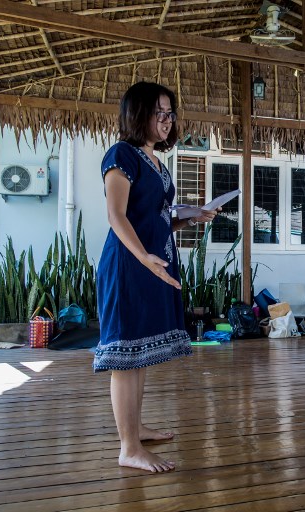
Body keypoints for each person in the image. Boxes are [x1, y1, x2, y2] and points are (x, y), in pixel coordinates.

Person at [94, 82, 218, 473]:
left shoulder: (156, 163)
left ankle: (135, 428)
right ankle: (128, 447)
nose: (167, 121)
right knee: (125, 357)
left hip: (152, 264)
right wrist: (144, 256)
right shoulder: (122, 154)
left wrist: (190, 217)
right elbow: (117, 215)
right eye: (158, 113)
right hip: (129, 265)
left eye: (170, 114)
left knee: (138, 355)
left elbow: (157, 220)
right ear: (138, 115)